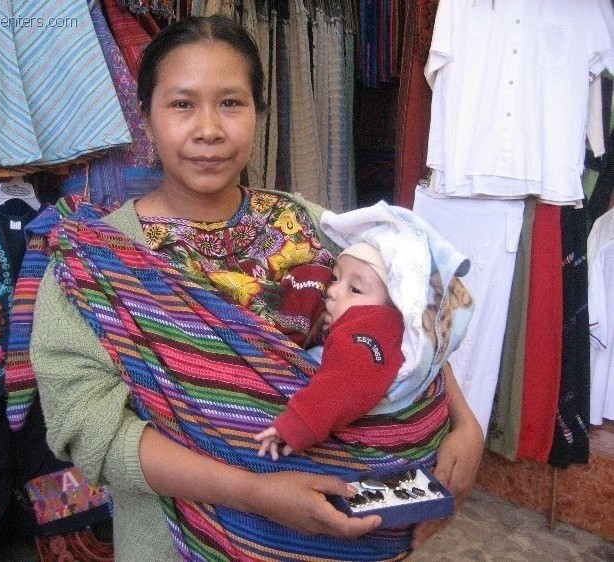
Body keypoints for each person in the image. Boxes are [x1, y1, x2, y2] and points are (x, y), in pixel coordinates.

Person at [30, 15, 484, 561]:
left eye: (230, 103)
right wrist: (253, 492)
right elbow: (93, 431)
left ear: (257, 113)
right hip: (178, 543)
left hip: (350, 536)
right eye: (181, 105)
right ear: (145, 120)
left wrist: (465, 425)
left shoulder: (315, 225)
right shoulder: (96, 265)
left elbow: (405, 322)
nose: (208, 130)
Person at [254, 242, 420, 460]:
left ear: (393, 304)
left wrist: (298, 424)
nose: (331, 290)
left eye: (355, 289)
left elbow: (346, 381)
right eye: (335, 278)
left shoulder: (376, 325)